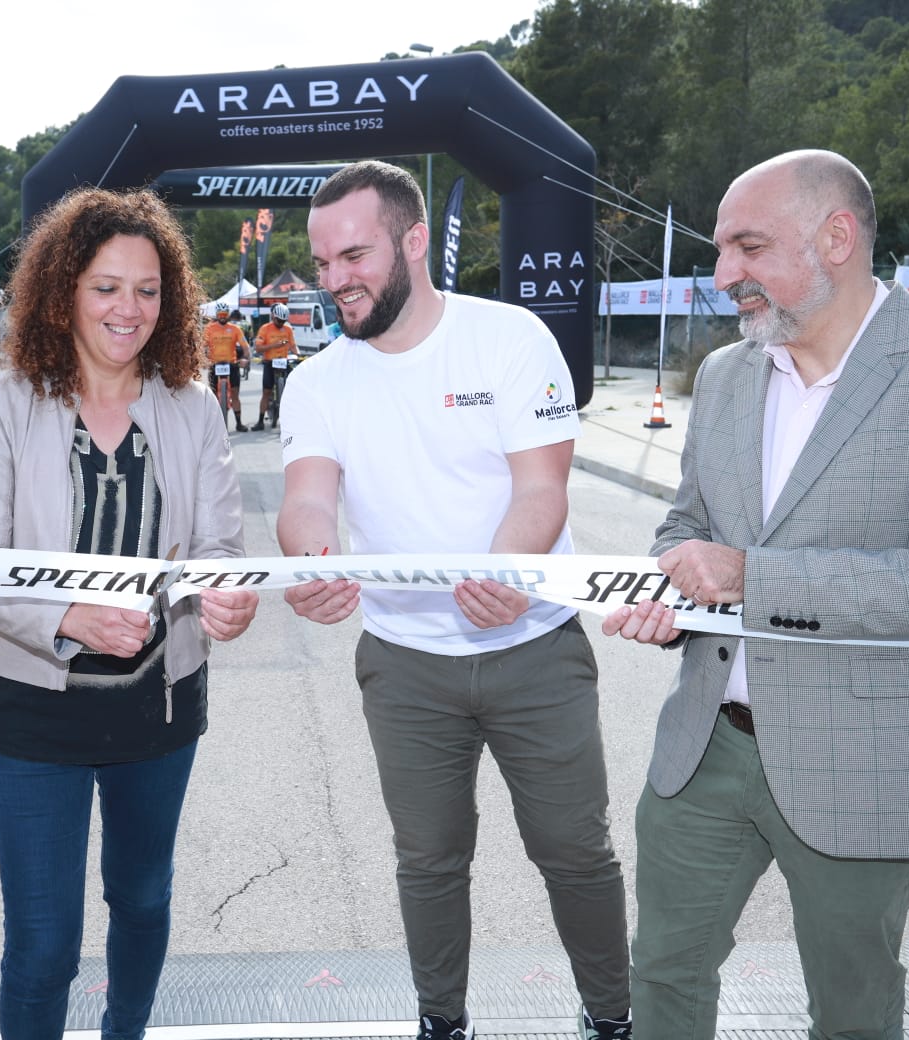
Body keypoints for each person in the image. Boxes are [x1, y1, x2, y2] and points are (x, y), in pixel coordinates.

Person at [602, 149, 909, 1037]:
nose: (724, 273)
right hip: (706, 748)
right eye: (722, 249)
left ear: (837, 237)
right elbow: (685, 525)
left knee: (853, 1008)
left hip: (868, 759)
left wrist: (747, 576)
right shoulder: (730, 375)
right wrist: (673, 594)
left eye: (749, 247)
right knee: (660, 977)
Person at [276, 160, 632, 1040]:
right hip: (404, 665)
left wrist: (503, 576)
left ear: (414, 240)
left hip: (536, 649)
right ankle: (442, 1023)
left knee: (574, 851)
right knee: (429, 860)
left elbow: (543, 492)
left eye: (352, 256)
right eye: (323, 264)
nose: (335, 281)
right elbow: (309, 500)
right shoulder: (317, 381)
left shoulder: (510, 339)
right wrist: (313, 561)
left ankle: (617, 1016)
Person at [0, 186, 259, 1040]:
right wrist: (67, 616)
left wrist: (227, 597)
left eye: (149, 289)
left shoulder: (193, 409)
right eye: (106, 287)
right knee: (44, 944)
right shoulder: (0, 404)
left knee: (144, 902)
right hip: (33, 714)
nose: (130, 309)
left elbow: (219, 551)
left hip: (158, 708)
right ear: (62, 292)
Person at [202, 301, 250, 431]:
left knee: (235, 394)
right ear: (217, 315)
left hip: (232, 363)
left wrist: (245, 358)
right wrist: (202, 359)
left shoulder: (235, 329)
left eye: (224, 314)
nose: (222, 316)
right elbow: (202, 346)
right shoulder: (209, 328)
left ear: (228, 314)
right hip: (214, 364)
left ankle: (239, 423)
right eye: (220, 314)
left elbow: (245, 346)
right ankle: (212, 426)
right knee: (212, 396)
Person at [251, 301, 298, 430]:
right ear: (273, 317)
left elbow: (293, 345)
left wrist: (298, 355)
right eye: (279, 321)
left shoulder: (288, 329)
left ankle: (292, 419)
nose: (281, 323)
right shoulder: (265, 328)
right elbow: (258, 347)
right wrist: (274, 345)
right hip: (269, 362)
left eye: (283, 321)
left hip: (283, 361)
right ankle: (260, 421)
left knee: (293, 388)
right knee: (266, 391)